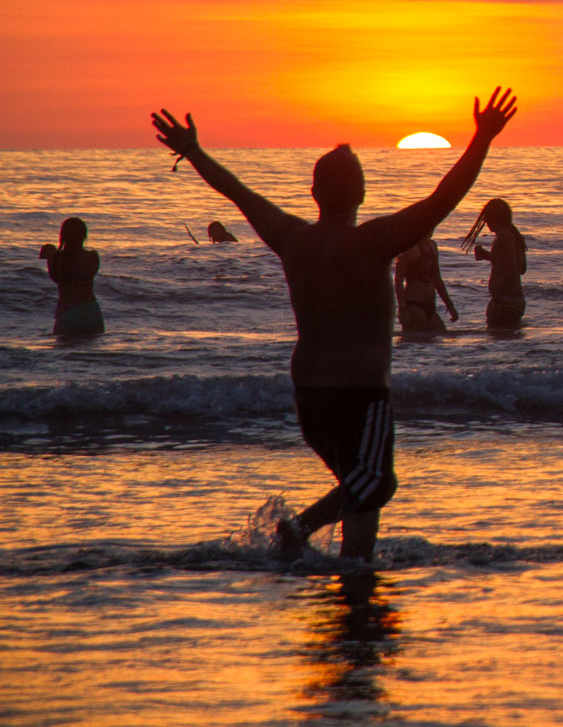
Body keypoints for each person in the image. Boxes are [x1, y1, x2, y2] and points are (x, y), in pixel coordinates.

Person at [150, 87, 517, 563]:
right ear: (362, 194)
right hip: (361, 396)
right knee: (377, 482)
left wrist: (195, 151)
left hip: (310, 400)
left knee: (358, 488)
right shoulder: (373, 241)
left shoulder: (292, 239)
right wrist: (482, 138)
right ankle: (298, 528)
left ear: (313, 194)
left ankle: (355, 570)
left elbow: (238, 191)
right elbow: (444, 198)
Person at [460, 198, 526, 329]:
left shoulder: (504, 236)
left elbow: (511, 268)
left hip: (506, 302)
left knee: (499, 340)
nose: (486, 222)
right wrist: (488, 256)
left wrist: (498, 299)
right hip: (512, 300)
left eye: (487, 219)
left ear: (495, 217)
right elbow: (520, 268)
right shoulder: (514, 235)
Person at [41, 217, 104, 337]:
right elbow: (91, 273)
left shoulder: (55, 259)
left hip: (67, 310)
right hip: (91, 310)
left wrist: (51, 254)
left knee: (65, 352)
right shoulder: (92, 256)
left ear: (63, 236)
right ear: (84, 236)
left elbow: (55, 278)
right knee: (93, 353)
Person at [393, 236, 458, 333]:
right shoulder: (409, 248)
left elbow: (437, 279)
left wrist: (449, 305)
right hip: (414, 304)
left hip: (430, 305)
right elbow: (398, 281)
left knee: (440, 336)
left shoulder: (432, 246)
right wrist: (402, 308)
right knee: (414, 342)